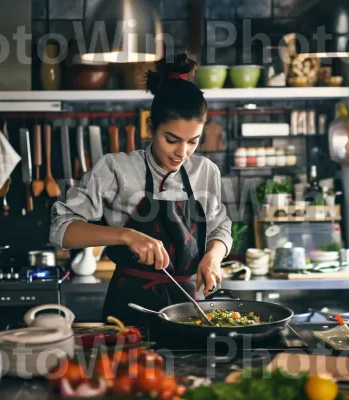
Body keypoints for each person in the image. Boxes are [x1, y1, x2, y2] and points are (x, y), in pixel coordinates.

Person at [49, 53, 233, 327]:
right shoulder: (116, 169)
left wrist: (213, 257)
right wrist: (125, 235)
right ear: (149, 127)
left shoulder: (205, 171)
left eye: (193, 142)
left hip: (190, 310)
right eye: (171, 140)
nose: (182, 153)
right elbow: (60, 230)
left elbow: (220, 229)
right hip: (131, 311)